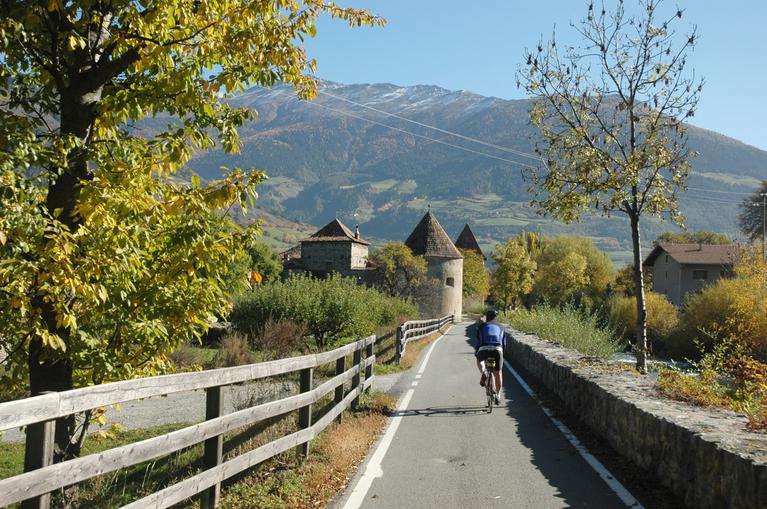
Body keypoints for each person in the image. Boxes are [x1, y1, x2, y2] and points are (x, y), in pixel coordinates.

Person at [475, 309, 506, 404]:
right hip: (497, 349)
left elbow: (478, 342)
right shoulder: (502, 327)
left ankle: (484, 371)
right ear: (496, 318)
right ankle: (498, 395)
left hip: (484, 348)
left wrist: (477, 353)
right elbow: (504, 344)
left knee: (479, 360)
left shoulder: (481, 327)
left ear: (487, 317)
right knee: (498, 372)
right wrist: (502, 354)